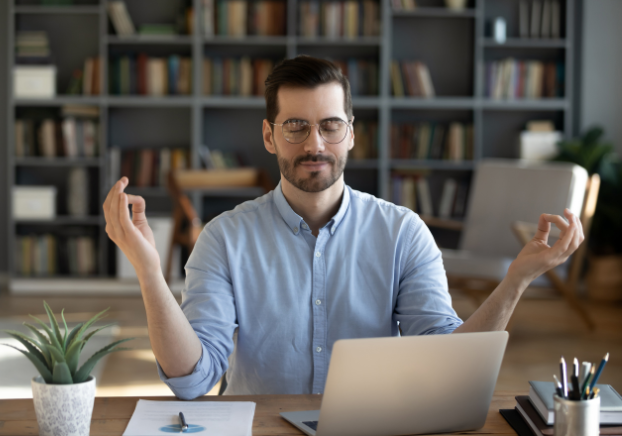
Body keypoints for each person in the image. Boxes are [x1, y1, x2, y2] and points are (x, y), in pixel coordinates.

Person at [103, 56, 584, 400]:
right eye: (295, 126)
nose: (315, 144)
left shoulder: (403, 233)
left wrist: (517, 278)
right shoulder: (224, 239)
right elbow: (192, 381)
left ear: (351, 132)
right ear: (269, 136)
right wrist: (149, 270)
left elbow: (448, 365)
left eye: (330, 125)